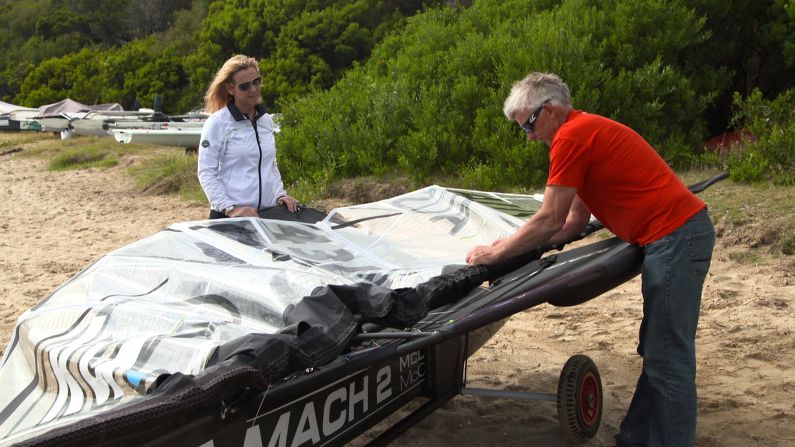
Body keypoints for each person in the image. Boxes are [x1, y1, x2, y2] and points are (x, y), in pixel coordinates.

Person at [466, 72, 715, 447]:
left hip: (675, 238)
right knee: (658, 349)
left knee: (669, 359)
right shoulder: (583, 130)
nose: (530, 136)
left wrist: (495, 253)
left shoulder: (571, 136)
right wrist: (519, 246)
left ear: (548, 110)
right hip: (673, 238)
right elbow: (572, 222)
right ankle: (636, 438)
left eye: (528, 126)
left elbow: (549, 219)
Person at [198, 54, 299, 219]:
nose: (253, 89)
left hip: (265, 214)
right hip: (230, 217)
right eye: (244, 86)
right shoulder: (217, 123)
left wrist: (280, 195)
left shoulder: (265, 120)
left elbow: (270, 164)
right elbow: (205, 172)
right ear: (231, 89)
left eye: (256, 81)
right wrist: (230, 209)